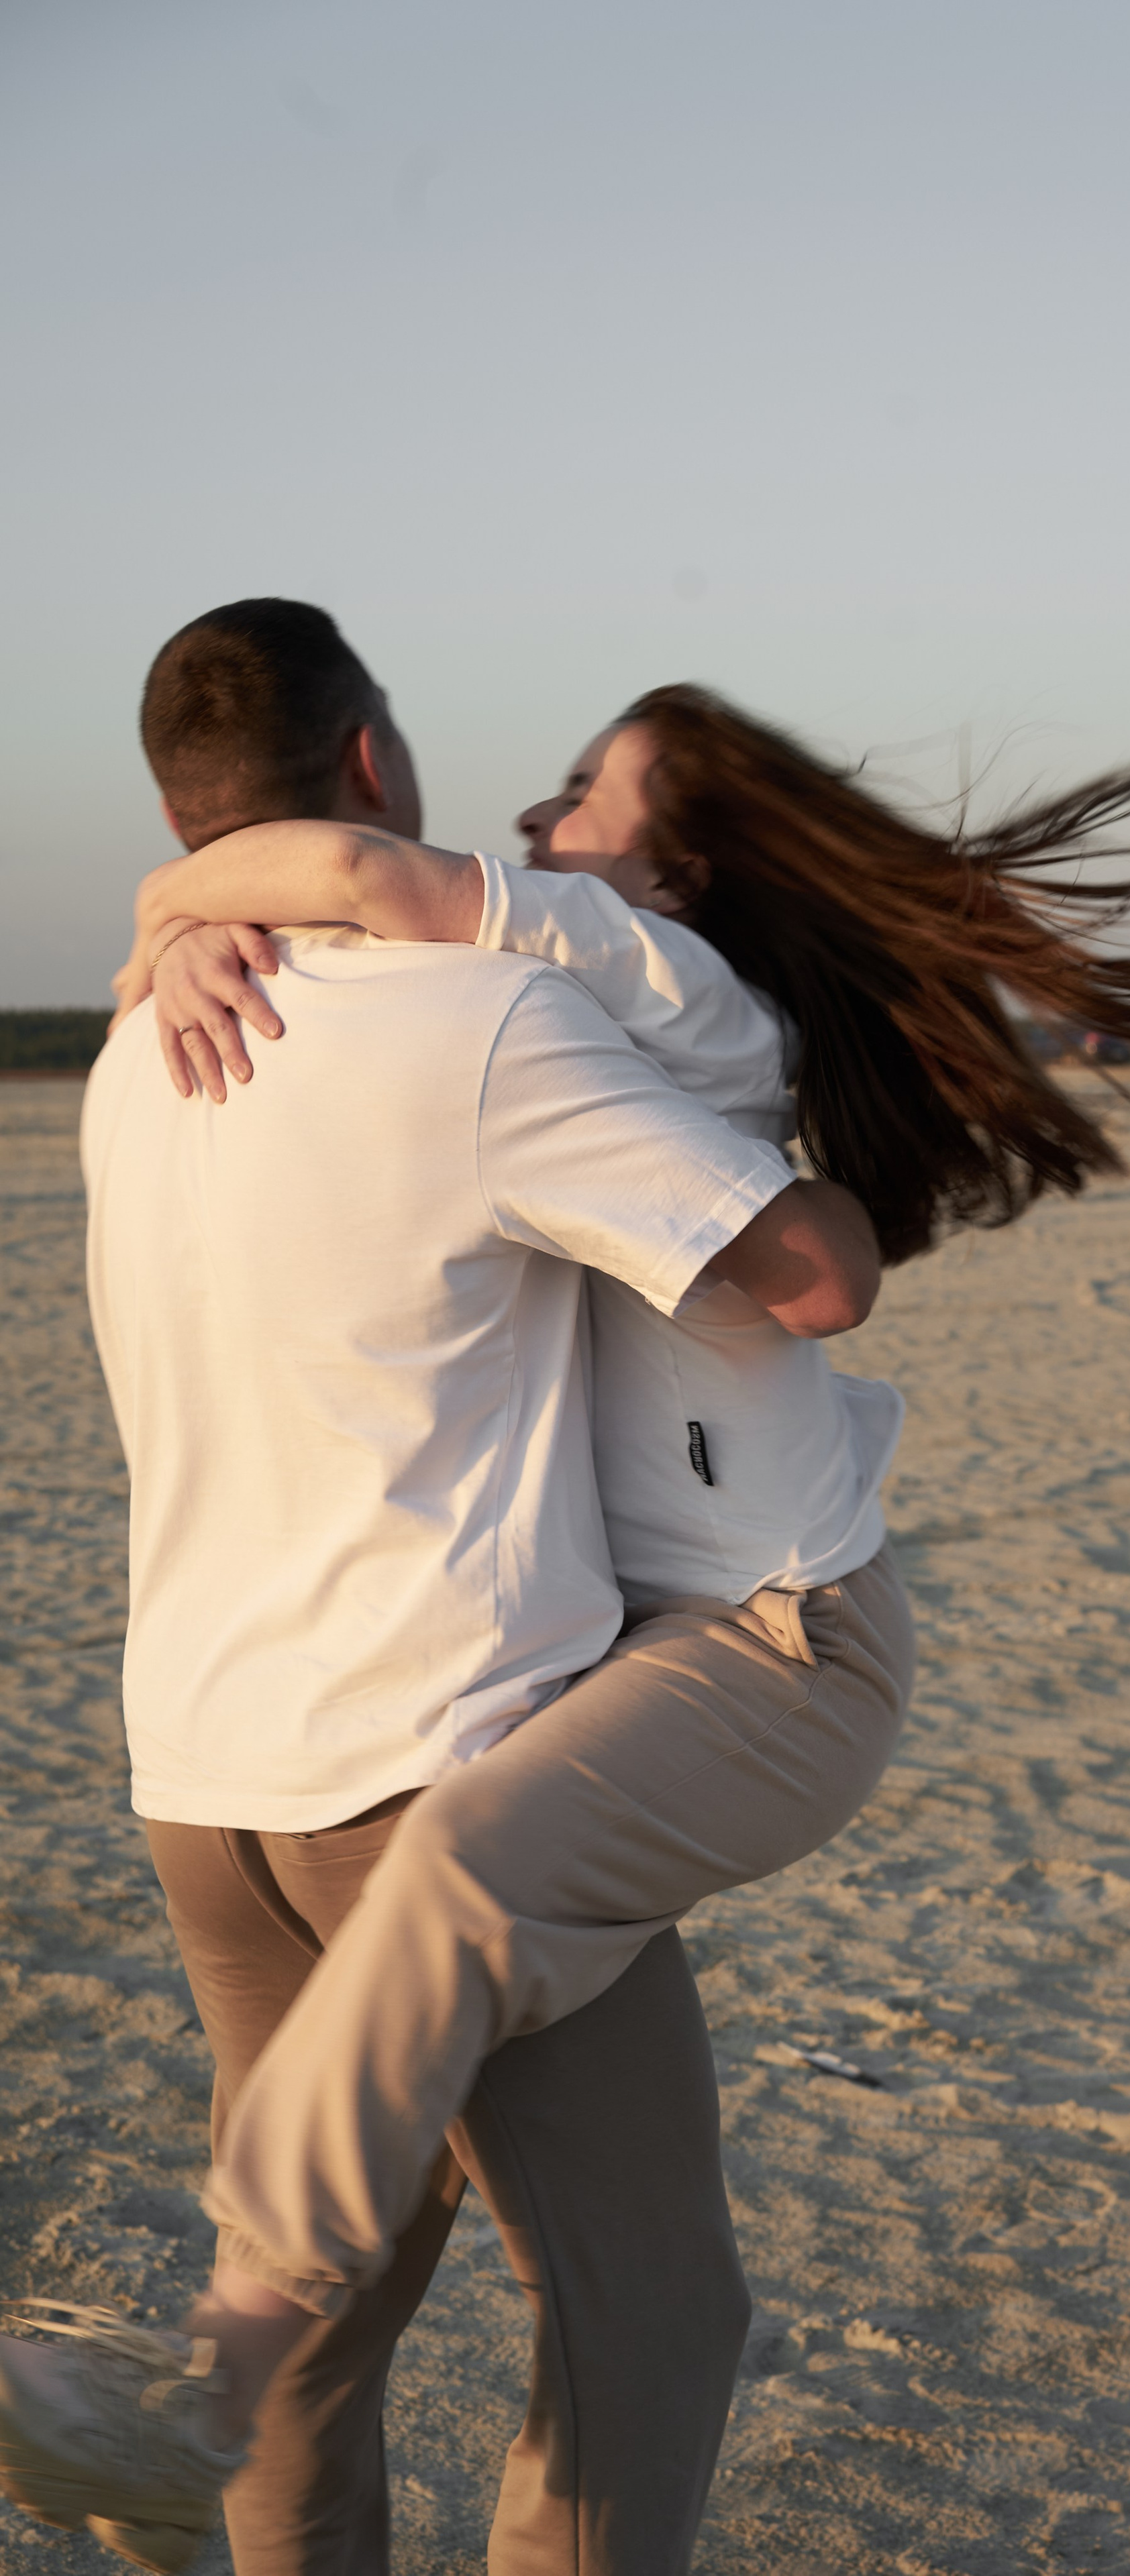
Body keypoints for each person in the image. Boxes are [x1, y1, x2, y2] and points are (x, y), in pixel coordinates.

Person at [0, 602, 888, 2576]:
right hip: (420, 1761)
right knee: (645, 2314)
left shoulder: (141, 1047)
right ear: (376, 769)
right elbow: (798, 1274)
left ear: (187, 820)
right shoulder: (481, 1027)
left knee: (331, 2315)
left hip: (207, 1782)